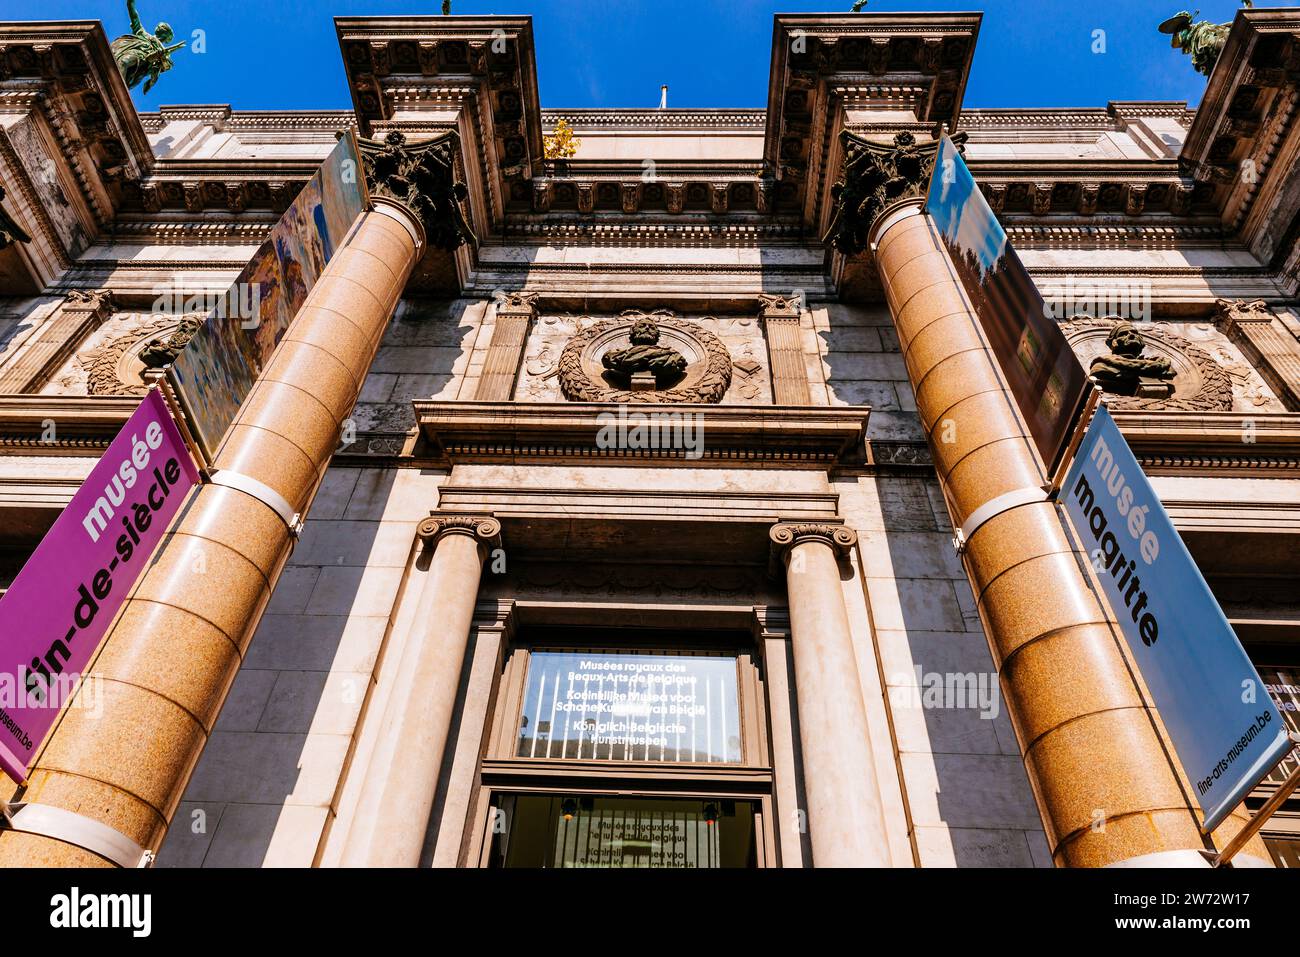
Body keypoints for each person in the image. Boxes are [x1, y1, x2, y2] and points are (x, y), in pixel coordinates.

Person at [110, 0, 185, 94]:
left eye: (163, 28)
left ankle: (117, 92)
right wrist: (130, 4)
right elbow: (135, 17)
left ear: (166, 36)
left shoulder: (164, 52)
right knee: (119, 62)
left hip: (142, 62)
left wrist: (161, 57)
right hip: (130, 52)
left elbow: (166, 66)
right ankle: (116, 90)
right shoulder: (143, 34)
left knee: (124, 62)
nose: (159, 28)